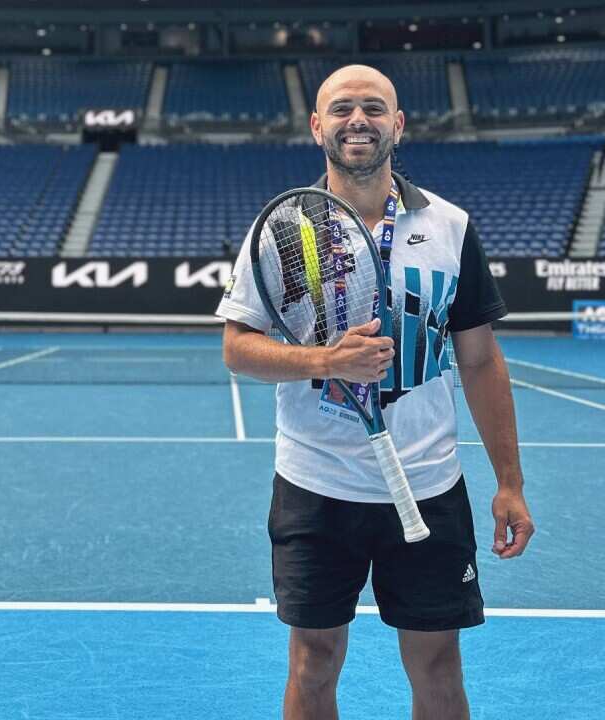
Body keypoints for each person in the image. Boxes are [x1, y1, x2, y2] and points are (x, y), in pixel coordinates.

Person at [217, 65, 535, 719]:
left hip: (428, 482)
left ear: (398, 124)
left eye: (372, 107)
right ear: (317, 126)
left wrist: (510, 481)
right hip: (313, 484)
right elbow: (237, 348)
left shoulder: (449, 227)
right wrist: (327, 359)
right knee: (314, 662)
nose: (356, 119)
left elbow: (479, 361)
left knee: (440, 668)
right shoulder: (282, 229)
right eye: (340, 109)